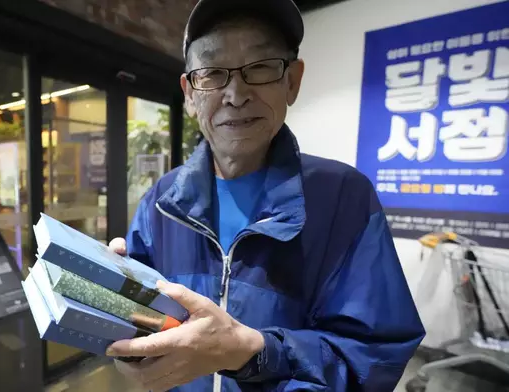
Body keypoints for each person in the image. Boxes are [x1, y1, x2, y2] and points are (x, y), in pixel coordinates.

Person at [105, 0, 426, 391]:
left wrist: (253, 350)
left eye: (260, 68)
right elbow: (142, 320)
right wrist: (114, 301)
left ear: (292, 81)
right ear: (190, 94)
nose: (236, 94)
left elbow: (374, 354)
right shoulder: (161, 199)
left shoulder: (344, 197)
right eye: (212, 73)